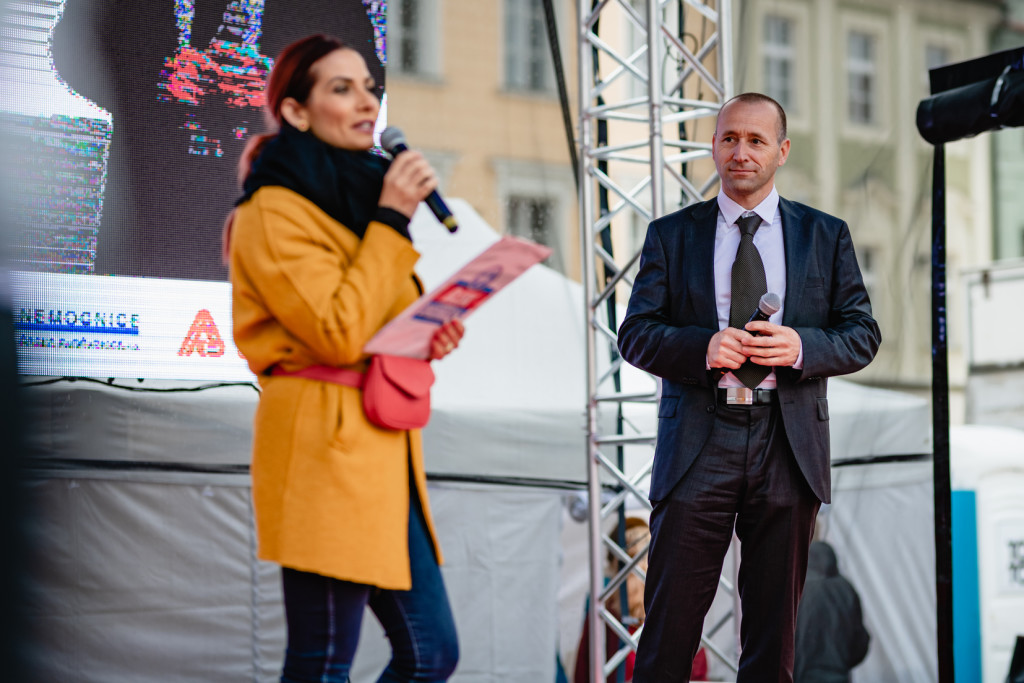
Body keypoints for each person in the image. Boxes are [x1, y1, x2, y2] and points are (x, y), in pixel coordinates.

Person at [616, 92, 881, 683]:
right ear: (713, 147)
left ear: (781, 151)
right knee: (666, 637)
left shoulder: (825, 235)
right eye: (729, 138)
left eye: (756, 140)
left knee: (772, 643)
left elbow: (863, 334)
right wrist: (700, 348)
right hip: (697, 442)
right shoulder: (671, 234)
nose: (741, 151)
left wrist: (803, 348)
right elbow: (635, 335)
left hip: (786, 446)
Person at [227, 34, 463, 682]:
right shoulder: (271, 211)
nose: (366, 101)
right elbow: (335, 330)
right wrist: (391, 215)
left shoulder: (361, 203)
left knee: (431, 651)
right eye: (341, 88)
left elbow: (373, 320)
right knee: (323, 658)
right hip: (324, 447)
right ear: (296, 111)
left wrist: (427, 333)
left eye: (369, 86)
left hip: (384, 450)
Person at [794, 541, 870, 682]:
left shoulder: (797, 590)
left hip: (802, 677)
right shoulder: (846, 589)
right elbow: (860, 643)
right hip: (838, 678)